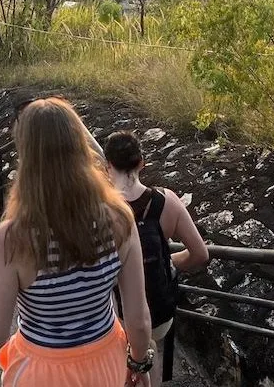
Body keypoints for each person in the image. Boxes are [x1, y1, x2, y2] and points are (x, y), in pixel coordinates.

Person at [0, 97, 154, 387]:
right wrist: (138, 363)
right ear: (80, 147)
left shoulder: (13, 238)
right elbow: (138, 318)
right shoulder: (119, 219)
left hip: (41, 371)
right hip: (106, 363)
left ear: (26, 155)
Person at [104, 131, 209, 387]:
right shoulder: (166, 201)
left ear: (107, 165)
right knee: (147, 356)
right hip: (159, 313)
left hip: (115, 316)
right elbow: (200, 254)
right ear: (142, 162)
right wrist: (170, 262)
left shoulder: (100, 208)